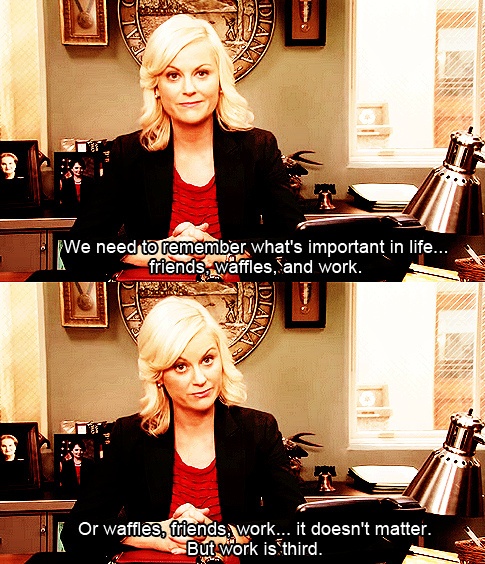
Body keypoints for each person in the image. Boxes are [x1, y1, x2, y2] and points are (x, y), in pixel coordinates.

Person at [61, 297, 304, 562]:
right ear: (158, 375)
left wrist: (227, 536)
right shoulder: (129, 434)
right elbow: (77, 531)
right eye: (181, 366)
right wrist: (155, 535)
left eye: (208, 360)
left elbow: (295, 523)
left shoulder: (258, 429)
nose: (200, 379)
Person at [62, 14, 304, 277]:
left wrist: (228, 252)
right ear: (156, 87)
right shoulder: (129, 151)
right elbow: (77, 249)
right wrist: (153, 253)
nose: (189, 88)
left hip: (233, 293)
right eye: (173, 75)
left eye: (202, 73)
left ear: (220, 82)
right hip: (151, 295)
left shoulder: (258, 147)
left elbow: (297, 244)